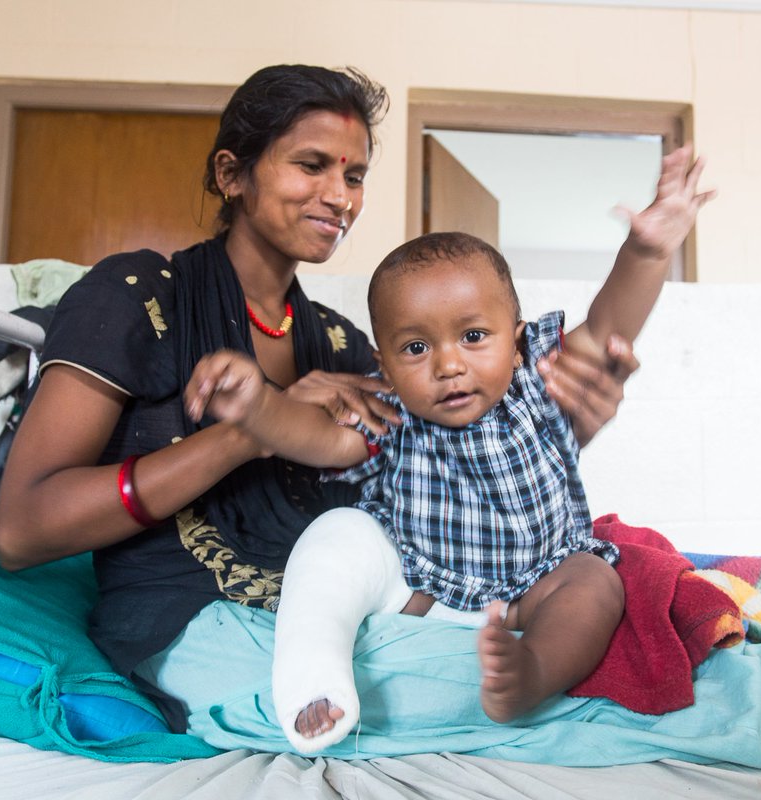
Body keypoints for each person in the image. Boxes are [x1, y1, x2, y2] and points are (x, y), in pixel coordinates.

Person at [0, 64, 640, 733]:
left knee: (578, 618)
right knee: (507, 693)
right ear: (231, 174)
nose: (340, 197)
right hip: (189, 614)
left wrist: (568, 423)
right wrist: (250, 431)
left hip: (353, 605)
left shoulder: (340, 344)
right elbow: (20, 532)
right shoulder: (141, 296)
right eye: (311, 166)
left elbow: (452, 456)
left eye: (353, 176)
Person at [185, 146, 713, 752]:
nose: (448, 364)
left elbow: (609, 324)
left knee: (596, 583)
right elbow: (315, 440)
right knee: (336, 535)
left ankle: (531, 673)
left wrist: (646, 251)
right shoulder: (388, 410)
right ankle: (313, 672)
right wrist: (258, 405)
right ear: (382, 363)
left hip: (535, 587)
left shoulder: (539, 386)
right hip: (416, 589)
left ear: (518, 343)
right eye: (415, 348)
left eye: (473, 335)